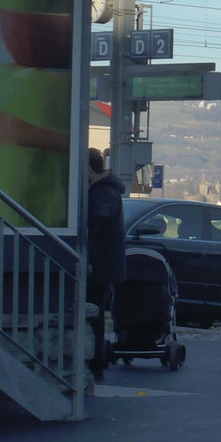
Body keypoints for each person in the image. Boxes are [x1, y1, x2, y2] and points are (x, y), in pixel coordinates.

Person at [86, 148, 126, 381]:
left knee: (95, 313)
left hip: (100, 265)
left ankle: (96, 361)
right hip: (105, 264)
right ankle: (96, 361)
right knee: (96, 313)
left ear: (90, 169)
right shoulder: (106, 190)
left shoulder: (103, 194)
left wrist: (90, 259)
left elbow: (100, 228)